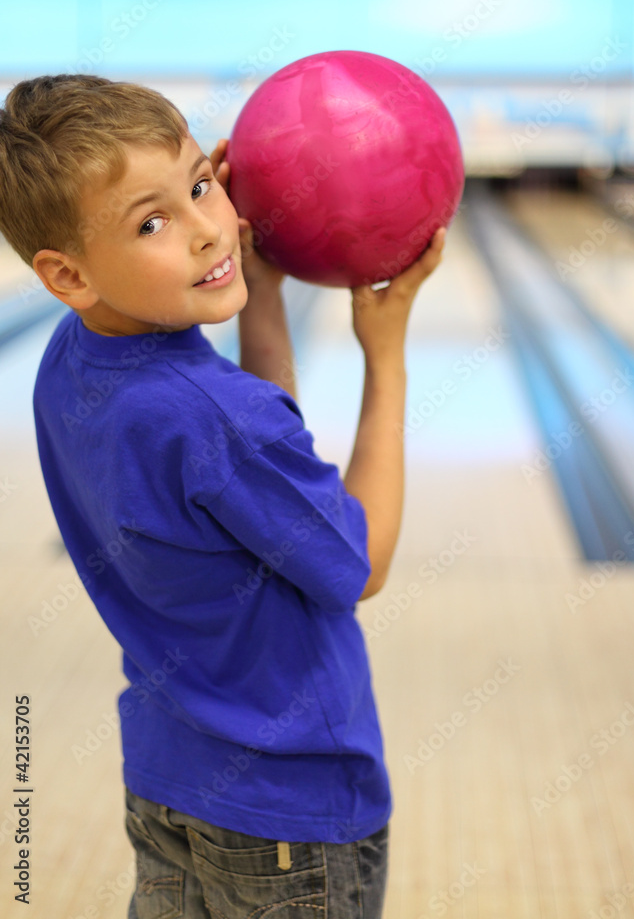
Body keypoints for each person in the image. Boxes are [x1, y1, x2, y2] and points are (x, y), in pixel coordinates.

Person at [0, 74, 445, 919]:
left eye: (201, 183)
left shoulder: (69, 360)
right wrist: (384, 360)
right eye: (152, 221)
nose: (210, 230)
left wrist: (263, 291)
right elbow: (360, 564)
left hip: (171, 775)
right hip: (292, 812)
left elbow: (258, 451)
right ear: (68, 273)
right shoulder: (219, 420)